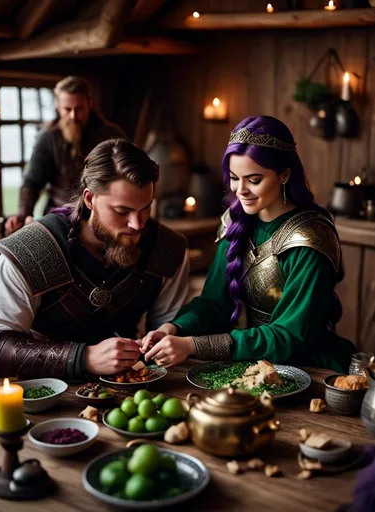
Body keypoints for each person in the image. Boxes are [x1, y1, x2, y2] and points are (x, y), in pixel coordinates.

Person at [139, 115, 356, 373]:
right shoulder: (236, 220)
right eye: (234, 177)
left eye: (254, 180)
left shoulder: (310, 238)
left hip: (310, 367)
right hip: (256, 363)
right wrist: (174, 328)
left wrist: (194, 345)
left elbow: (289, 338)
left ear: (284, 174)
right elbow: (214, 303)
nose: (240, 190)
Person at [0, 139, 189, 380]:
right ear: (89, 199)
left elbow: (169, 331)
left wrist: (164, 339)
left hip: (132, 391)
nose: (137, 225)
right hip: (45, 394)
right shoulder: (32, 250)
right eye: (122, 211)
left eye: (145, 209)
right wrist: (84, 358)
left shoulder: (166, 248)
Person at [5, 75, 125, 235]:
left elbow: (125, 177)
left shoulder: (112, 135)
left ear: (90, 103)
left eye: (79, 109)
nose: (73, 116)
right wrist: (22, 214)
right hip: (59, 216)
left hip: (104, 216)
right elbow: (32, 182)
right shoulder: (48, 137)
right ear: (58, 106)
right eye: (67, 109)